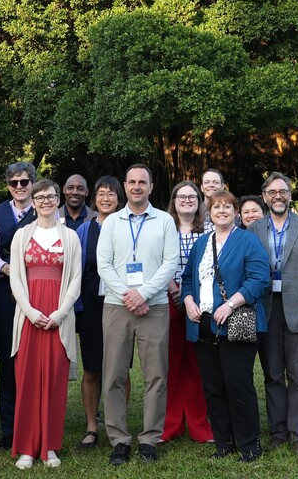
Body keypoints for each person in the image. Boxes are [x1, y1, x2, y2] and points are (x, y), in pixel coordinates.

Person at [97, 164, 180, 465]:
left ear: (151, 187)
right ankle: (119, 439)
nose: (136, 187)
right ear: (125, 186)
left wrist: (143, 294)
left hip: (154, 306)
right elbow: (103, 265)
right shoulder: (112, 223)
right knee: (115, 375)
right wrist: (128, 295)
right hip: (117, 306)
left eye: (142, 182)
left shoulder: (164, 221)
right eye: (131, 182)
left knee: (155, 375)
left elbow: (169, 263)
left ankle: (149, 439)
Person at [182, 190, 271, 463]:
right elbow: (188, 280)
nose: (221, 211)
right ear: (209, 212)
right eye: (216, 207)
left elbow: (259, 279)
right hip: (204, 324)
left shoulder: (247, 241)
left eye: (227, 207)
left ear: (235, 212)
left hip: (237, 324)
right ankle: (223, 443)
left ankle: (249, 445)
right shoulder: (201, 244)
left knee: (238, 385)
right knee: (213, 387)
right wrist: (187, 301)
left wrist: (231, 304)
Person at [247, 172, 298, 455]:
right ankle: (278, 431)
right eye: (272, 192)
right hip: (265, 310)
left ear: (290, 195)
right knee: (273, 374)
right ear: (265, 197)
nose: (278, 196)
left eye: (283, 191)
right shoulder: (253, 229)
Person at [10, 179, 83, 469]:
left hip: (57, 319)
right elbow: (16, 277)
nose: (45, 202)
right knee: (27, 380)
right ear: (33, 201)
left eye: (50, 196)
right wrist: (29, 311)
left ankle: (50, 446)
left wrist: (60, 313)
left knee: (54, 380)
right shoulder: (21, 236)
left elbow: (75, 278)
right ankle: (27, 448)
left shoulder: (71, 237)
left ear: (58, 199)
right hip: (29, 317)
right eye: (39, 197)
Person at [0, 161, 38, 449]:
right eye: (14, 183)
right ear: (8, 186)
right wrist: (5, 268)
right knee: (9, 358)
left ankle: (34, 420)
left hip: (40, 291)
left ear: (32, 183)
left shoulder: (46, 209)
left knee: (34, 357)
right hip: (6, 292)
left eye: (24, 182)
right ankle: (10, 428)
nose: (19, 187)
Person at [161, 180, 212, 444]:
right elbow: (158, 259)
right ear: (174, 200)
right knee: (170, 363)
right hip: (168, 298)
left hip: (201, 301)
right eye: (181, 196)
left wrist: (190, 293)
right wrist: (173, 289)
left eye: (192, 196)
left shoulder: (210, 229)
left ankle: (198, 425)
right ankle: (169, 425)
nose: (187, 200)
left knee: (195, 363)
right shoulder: (162, 226)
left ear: (199, 201)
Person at [74, 175, 122, 449]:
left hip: (120, 305)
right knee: (92, 368)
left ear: (119, 198)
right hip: (91, 307)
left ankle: (118, 424)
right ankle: (92, 426)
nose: (106, 198)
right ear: (95, 199)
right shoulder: (84, 230)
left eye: (111, 194)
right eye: (101, 193)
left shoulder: (127, 228)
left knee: (120, 370)